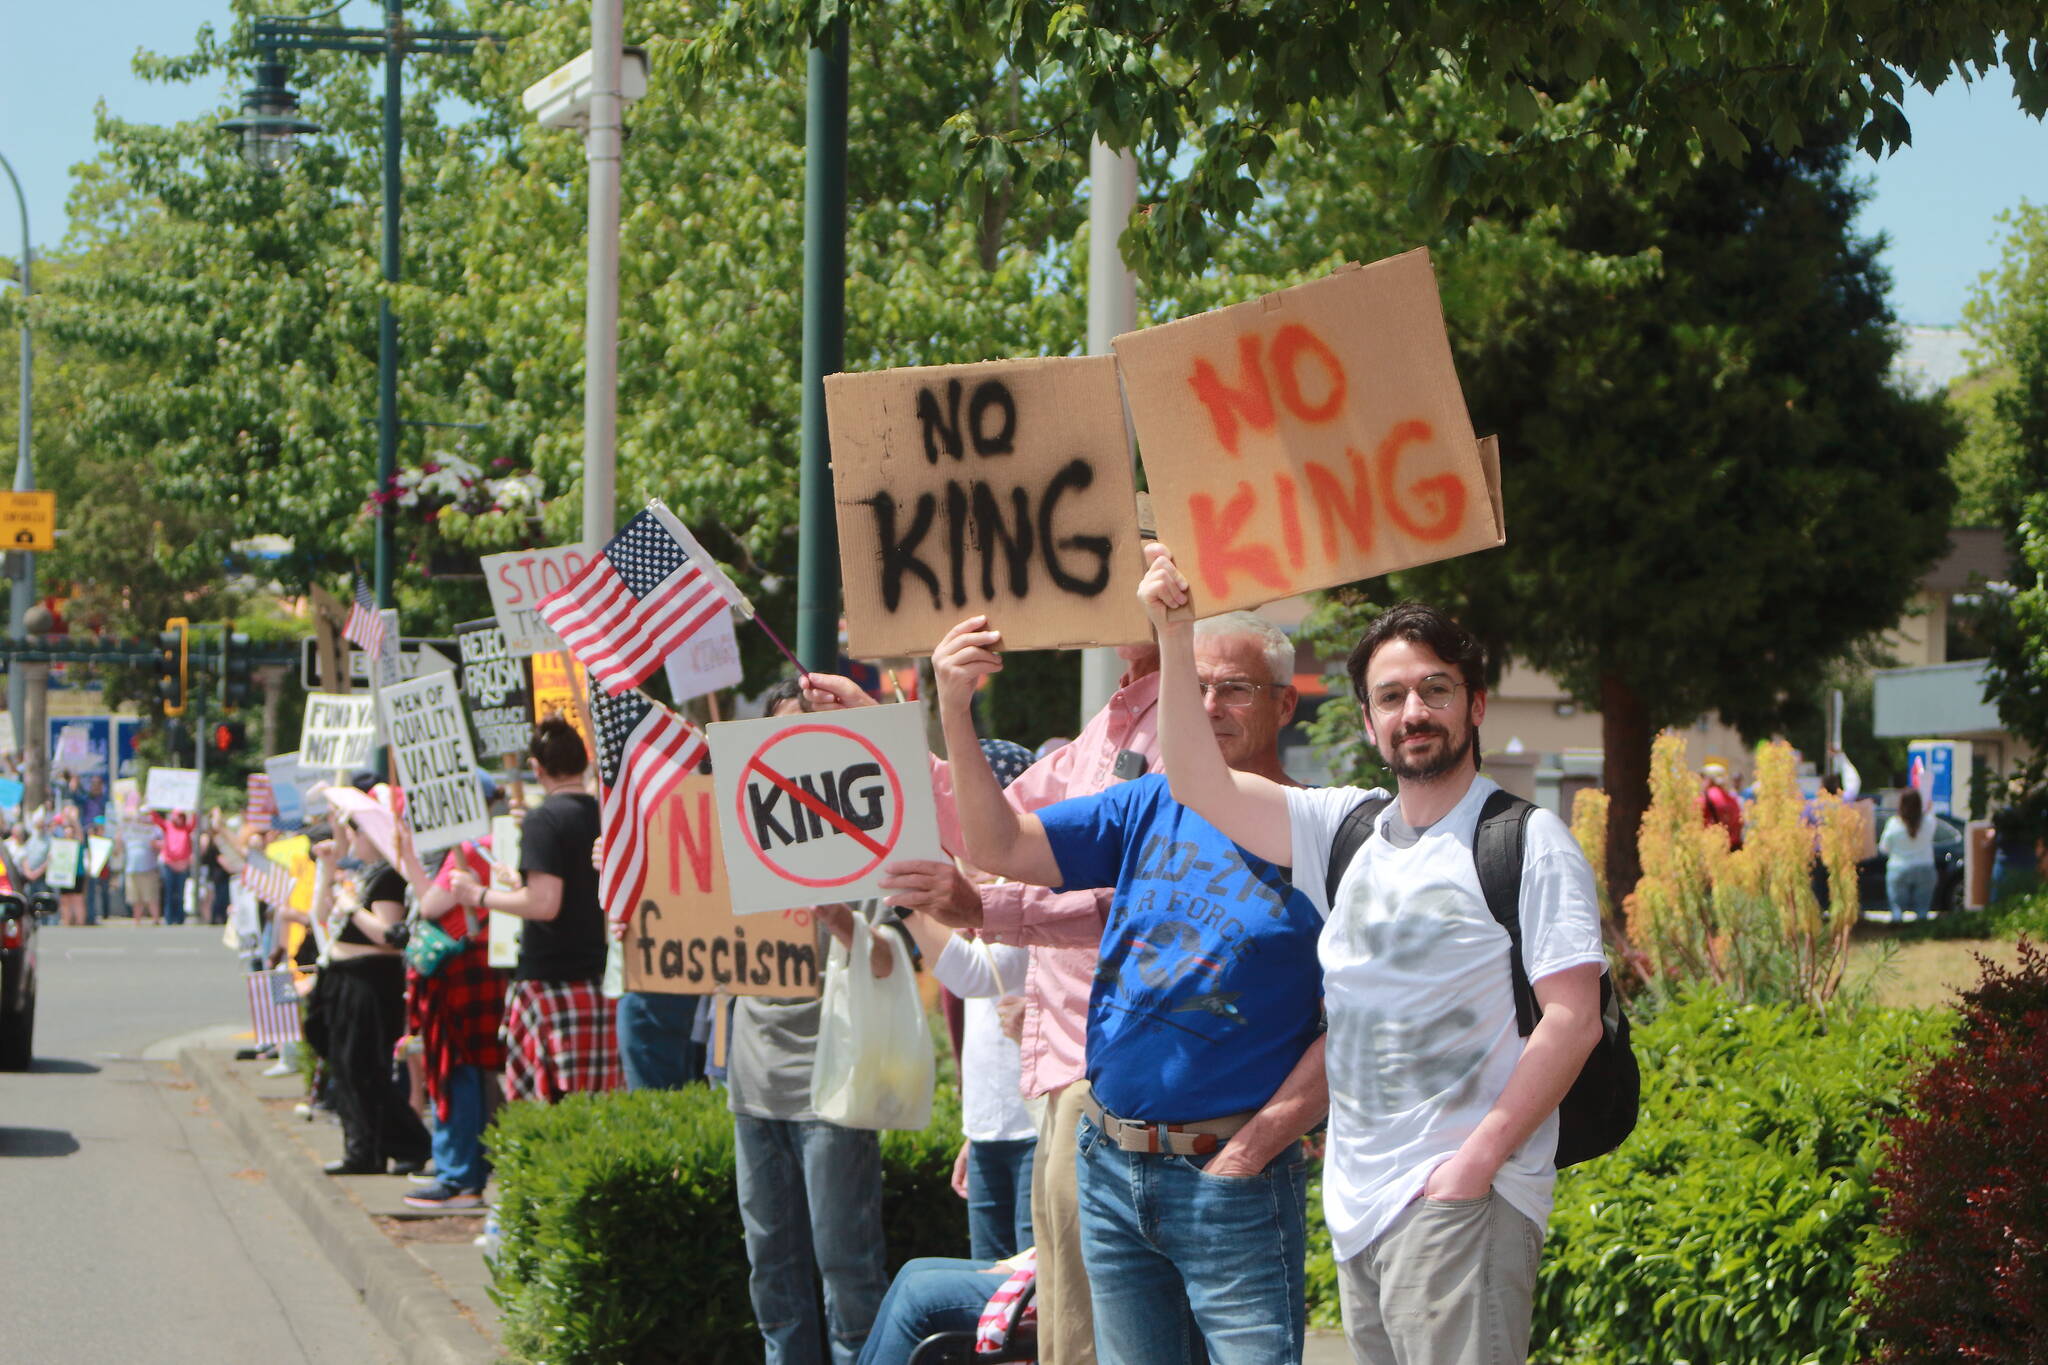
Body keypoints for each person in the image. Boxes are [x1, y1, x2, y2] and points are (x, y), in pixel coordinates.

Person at [1138, 546, 1607, 1365]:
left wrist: (1475, 1163)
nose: (1413, 711)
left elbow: (1574, 1020)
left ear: (1475, 704)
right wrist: (1173, 636)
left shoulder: (1526, 840)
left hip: (1460, 1201)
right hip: (1359, 1208)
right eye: (1391, 696)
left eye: (1435, 689)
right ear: (1367, 720)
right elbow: (1196, 781)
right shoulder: (1346, 830)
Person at [906, 607, 1327, 1364]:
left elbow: (1361, 1022)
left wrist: (1255, 1146)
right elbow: (998, 843)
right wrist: (954, 710)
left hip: (1231, 1178)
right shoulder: (1147, 802)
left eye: (1234, 689)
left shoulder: (1327, 833)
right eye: (1194, 686)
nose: (1209, 707)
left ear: (1285, 702)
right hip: (1111, 1163)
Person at [726, 676, 903, 1365]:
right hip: (753, 1084)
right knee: (770, 1269)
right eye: (775, 734)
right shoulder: (738, 835)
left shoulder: (868, 835)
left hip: (833, 1085)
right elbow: (684, 926)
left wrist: (842, 921)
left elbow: (891, 961)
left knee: (846, 1268)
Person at [449, 716, 619, 1103]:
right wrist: (519, 884)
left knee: (551, 1105)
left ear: (536, 768)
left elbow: (544, 904)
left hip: (552, 980)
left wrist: (477, 895)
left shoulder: (544, 819)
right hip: (598, 975)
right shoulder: (605, 813)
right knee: (596, 1102)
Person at [307, 786, 433, 1176]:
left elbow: (389, 935)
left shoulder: (388, 877)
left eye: (354, 830)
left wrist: (352, 909)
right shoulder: (362, 874)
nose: (349, 837)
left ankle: (401, 1144)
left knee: (363, 1068)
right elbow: (320, 913)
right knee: (346, 1067)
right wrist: (327, 869)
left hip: (369, 980)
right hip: (344, 976)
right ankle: (364, 1149)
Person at [412, 838, 512, 1208]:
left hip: (462, 968)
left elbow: (429, 905)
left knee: (455, 1069)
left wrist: (405, 854)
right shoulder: (494, 839)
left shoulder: (468, 847)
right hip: (483, 960)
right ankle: (464, 1170)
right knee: (471, 1073)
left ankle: (459, 1176)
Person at [1879, 787, 1938, 918]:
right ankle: (1921, 928)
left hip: (1899, 867)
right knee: (1923, 910)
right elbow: (1931, 815)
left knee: (1897, 911)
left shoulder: (1894, 823)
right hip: (1925, 866)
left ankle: (1898, 928)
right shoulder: (1928, 821)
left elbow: (1884, 848)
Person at [120, 808, 161, 924]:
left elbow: (160, 843)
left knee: (151, 896)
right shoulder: (129, 830)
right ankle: (137, 920)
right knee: (135, 898)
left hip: (148, 868)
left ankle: (156, 920)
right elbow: (119, 844)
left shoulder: (153, 830)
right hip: (132, 869)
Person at [156, 809, 195, 925]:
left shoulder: (186, 829)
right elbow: (157, 820)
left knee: (180, 893)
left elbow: (194, 821)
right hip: (169, 864)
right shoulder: (168, 826)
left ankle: (180, 918)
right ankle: (169, 918)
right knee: (169, 892)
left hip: (182, 865)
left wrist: (193, 810)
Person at [1700, 761, 1744, 851]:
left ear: (1710, 780)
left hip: (1711, 848)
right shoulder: (1733, 800)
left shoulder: (1706, 797)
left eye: (1704, 778)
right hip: (1731, 849)